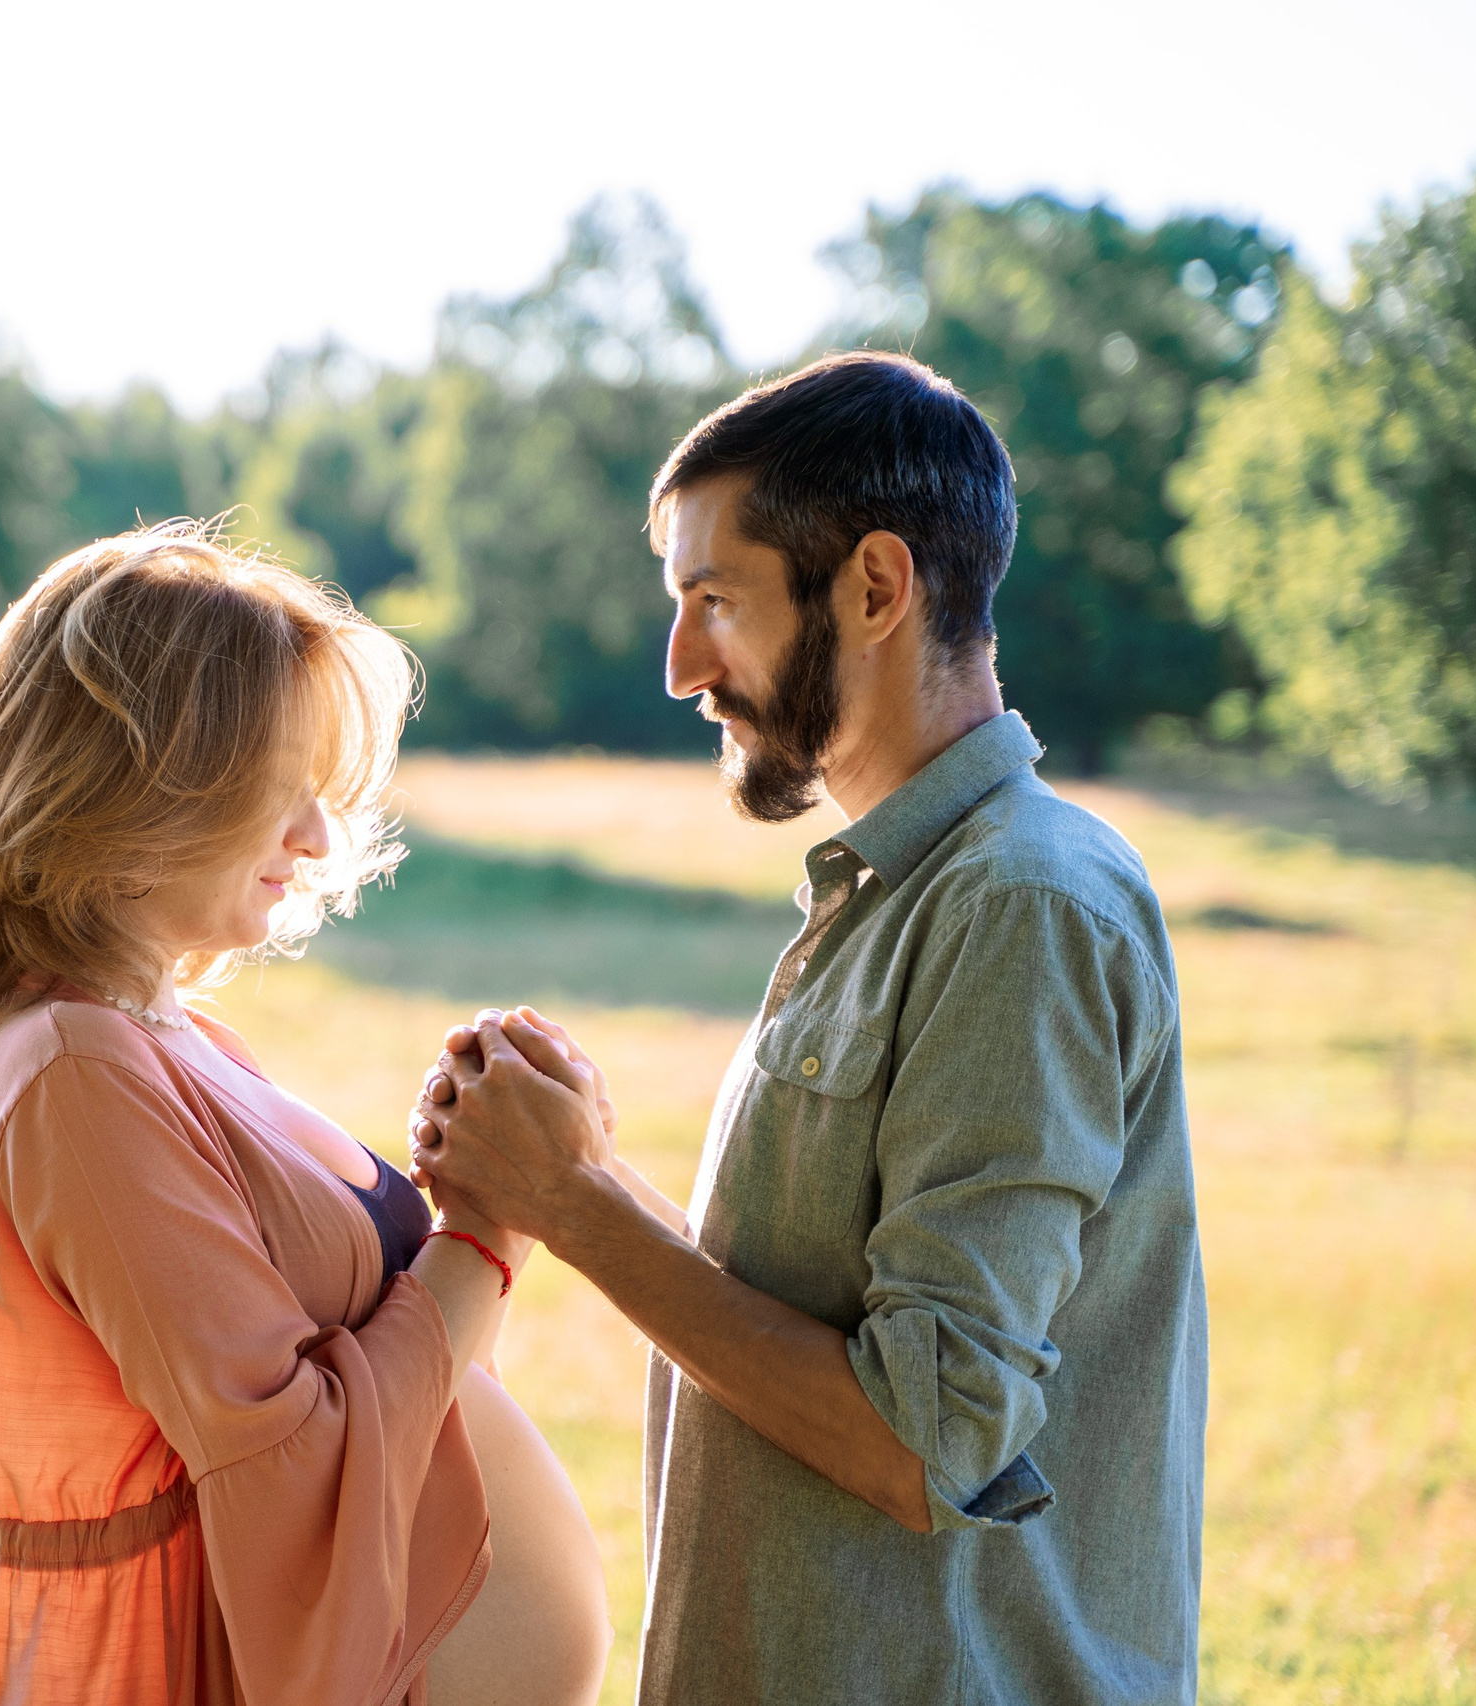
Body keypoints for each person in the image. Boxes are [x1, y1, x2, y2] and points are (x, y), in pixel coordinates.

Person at [411, 352, 1208, 1705]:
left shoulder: (1019, 904)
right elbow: (833, 1322)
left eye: (716, 600)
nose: (679, 667)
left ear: (878, 587)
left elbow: (928, 1434)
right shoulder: (908, 889)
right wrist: (570, 1176)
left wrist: (576, 1202)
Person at [0, 523, 611, 1705]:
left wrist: (449, 1176)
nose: (318, 836)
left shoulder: (162, 1033)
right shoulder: (71, 1066)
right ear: (137, 787)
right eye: (281, 788)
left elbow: (382, 1366)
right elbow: (288, 1461)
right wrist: (489, 1227)